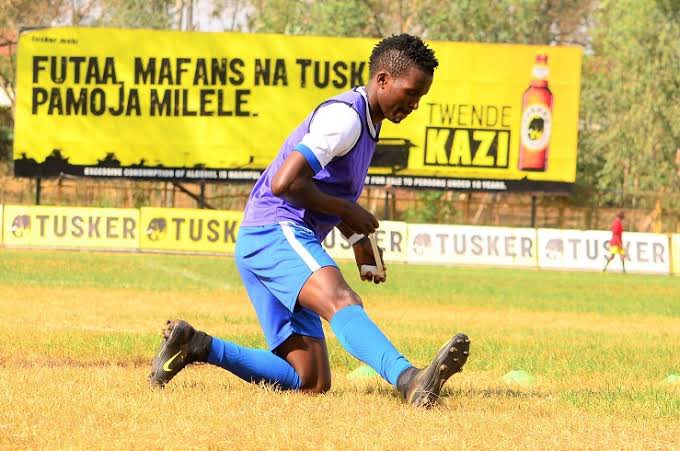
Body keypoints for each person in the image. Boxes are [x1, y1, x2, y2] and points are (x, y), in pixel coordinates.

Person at [148, 34, 470, 407]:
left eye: (421, 97)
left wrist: (358, 241)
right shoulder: (345, 119)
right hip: (275, 229)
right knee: (341, 299)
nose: (414, 104)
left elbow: (326, 192)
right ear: (382, 79)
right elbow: (285, 183)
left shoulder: (366, 123)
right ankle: (409, 379)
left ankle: (195, 345)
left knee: (310, 379)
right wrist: (349, 211)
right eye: (411, 92)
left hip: (265, 239)